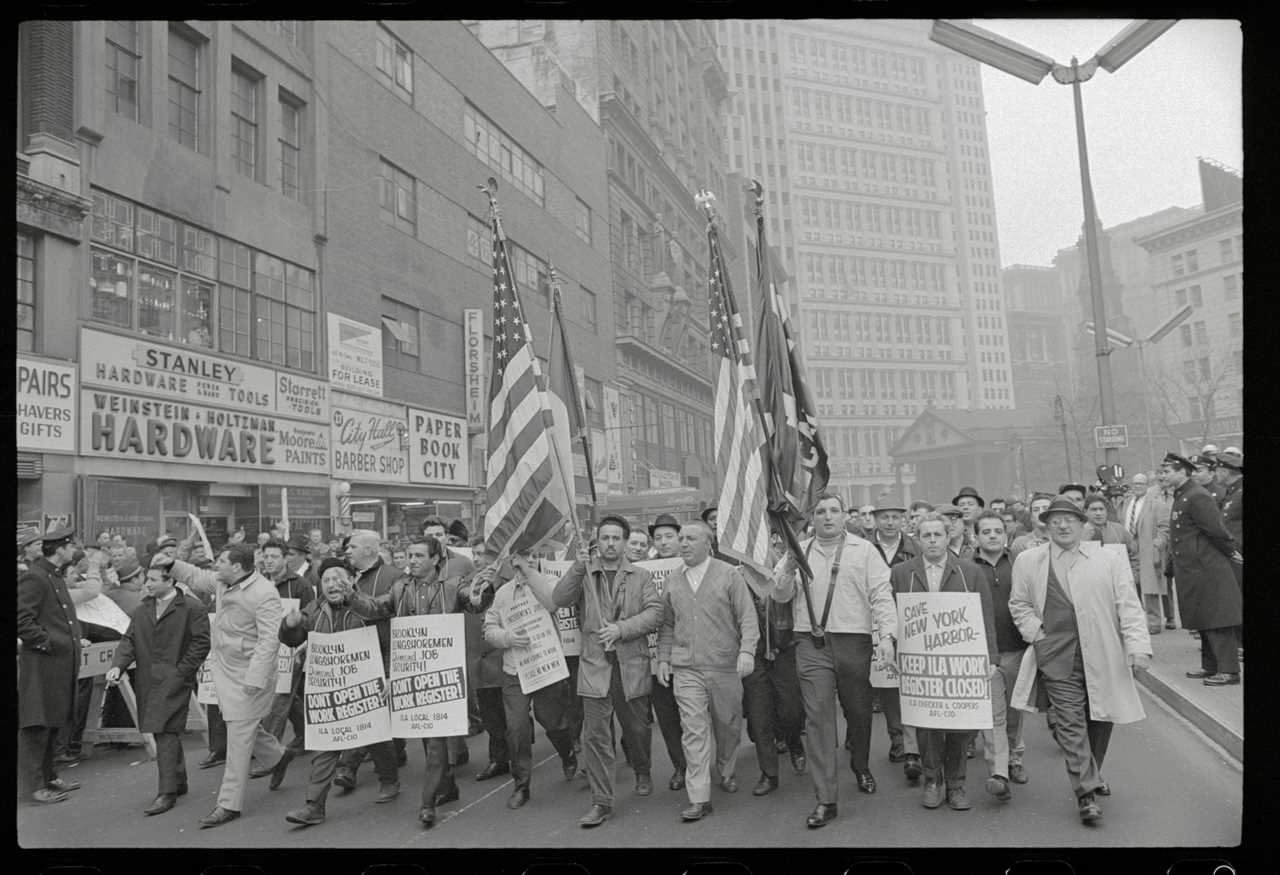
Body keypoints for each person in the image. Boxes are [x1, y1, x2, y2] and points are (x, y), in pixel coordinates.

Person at [1009, 497, 1152, 825]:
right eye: (1055, 520)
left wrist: (1138, 647)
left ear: (1083, 524)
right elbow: (1019, 604)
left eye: (1069, 519)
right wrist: (1037, 633)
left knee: (1102, 716)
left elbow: (1127, 603)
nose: (1062, 525)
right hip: (1056, 655)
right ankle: (1085, 793)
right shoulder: (1030, 561)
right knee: (1071, 722)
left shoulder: (1106, 559)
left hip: (1103, 651)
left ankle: (1093, 771)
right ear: (1046, 525)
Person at [772, 492, 897, 829]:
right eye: (820, 511)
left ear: (845, 516)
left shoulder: (864, 550)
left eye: (834, 511)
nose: (827, 517)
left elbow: (881, 595)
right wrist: (785, 569)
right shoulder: (799, 551)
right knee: (818, 717)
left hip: (853, 640)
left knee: (858, 711)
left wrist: (886, 637)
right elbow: (780, 596)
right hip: (811, 642)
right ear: (812, 518)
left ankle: (860, 764)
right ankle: (825, 798)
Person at [347, 535, 480, 828]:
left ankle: (427, 803)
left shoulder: (452, 586)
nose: (413, 561)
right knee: (425, 734)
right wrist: (350, 596)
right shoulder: (400, 588)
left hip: (444, 675)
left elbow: (475, 601)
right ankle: (448, 787)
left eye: (420, 556)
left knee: (434, 741)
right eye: (410, 555)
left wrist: (483, 592)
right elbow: (376, 609)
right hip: (412, 673)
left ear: (436, 559)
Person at [159, 543, 288, 828]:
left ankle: (228, 804)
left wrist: (255, 678)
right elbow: (196, 577)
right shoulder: (223, 579)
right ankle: (278, 758)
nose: (216, 565)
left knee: (239, 735)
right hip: (227, 670)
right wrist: (171, 565)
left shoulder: (265, 593)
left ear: (238, 567)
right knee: (244, 725)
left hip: (251, 676)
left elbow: (269, 641)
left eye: (220, 561)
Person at [550, 515, 663, 828]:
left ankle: (642, 769)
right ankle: (602, 802)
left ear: (625, 542)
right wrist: (576, 566)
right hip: (595, 665)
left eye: (616, 538)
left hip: (630, 664)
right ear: (596, 542)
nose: (610, 543)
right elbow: (558, 600)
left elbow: (655, 613)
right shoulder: (585, 573)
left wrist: (621, 629)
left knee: (637, 729)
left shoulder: (640, 576)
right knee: (596, 737)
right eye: (605, 538)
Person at [280, 558, 400, 826]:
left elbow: (389, 644)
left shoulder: (369, 607)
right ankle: (314, 806)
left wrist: (390, 676)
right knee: (327, 743)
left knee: (377, 738)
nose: (333, 585)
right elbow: (293, 639)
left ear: (353, 580)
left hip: (369, 685)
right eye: (326, 581)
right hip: (332, 691)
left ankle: (389, 780)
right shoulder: (315, 609)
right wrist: (290, 625)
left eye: (339, 578)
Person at [890, 513, 996, 812]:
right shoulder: (902, 573)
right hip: (922, 667)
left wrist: (991, 658)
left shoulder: (969, 572)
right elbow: (893, 617)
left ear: (948, 537)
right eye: (927, 536)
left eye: (938, 535)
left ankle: (957, 784)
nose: (933, 541)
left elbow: (985, 618)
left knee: (961, 727)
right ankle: (932, 781)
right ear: (918, 539)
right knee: (926, 726)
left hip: (960, 664)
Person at [656, 522, 757, 822]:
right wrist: (663, 658)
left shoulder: (729, 575)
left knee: (727, 724)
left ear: (708, 543)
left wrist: (747, 651)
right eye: (681, 539)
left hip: (724, 665)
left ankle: (726, 769)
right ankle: (699, 797)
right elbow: (667, 624)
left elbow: (747, 618)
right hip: (686, 667)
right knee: (694, 730)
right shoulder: (674, 579)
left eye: (691, 538)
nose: (684, 544)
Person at [105, 563, 210, 815]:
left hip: (174, 679)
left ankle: (167, 792)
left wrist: (181, 671)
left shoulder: (192, 608)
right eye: (147, 580)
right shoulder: (144, 609)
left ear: (170, 581)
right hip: (148, 679)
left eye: (153, 580)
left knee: (164, 730)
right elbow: (129, 640)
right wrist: (117, 666)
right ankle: (179, 780)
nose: (147, 584)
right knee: (167, 729)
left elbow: (201, 643)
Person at [478, 554, 577, 809]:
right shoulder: (502, 594)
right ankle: (521, 784)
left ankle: (567, 753)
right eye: (518, 560)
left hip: (546, 667)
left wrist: (533, 579)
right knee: (517, 729)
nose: (524, 564)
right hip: (515, 671)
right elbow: (488, 629)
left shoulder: (549, 582)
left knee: (552, 721)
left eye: (530, 558)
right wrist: (507, 637)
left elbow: (556, 603)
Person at [17, 526, 86, 805]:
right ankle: (34, 786)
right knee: (37, 725)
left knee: (54, 719)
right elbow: (22, 619)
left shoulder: (50, 575)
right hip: (42, 664)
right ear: (59, 548)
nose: (74, 550)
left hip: (57, 664)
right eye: (71, 546)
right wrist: (46, 643)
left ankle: (49, 776)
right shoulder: (35, 577)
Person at [1160, 453, 1242, 686]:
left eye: (1167, 471)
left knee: (1217, 619)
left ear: (1182, 472)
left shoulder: (1197, 496)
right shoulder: (1184, 495)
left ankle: (1229, 671)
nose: (1162, 476)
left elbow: (1216, 530)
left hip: (1207, 568)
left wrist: (1230, 552)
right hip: (1194, 569)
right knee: (1204, 619)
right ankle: (1211, 666)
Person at [335, 530, 406, 784]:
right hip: (354, 650)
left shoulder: (394, 577)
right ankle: (395, 751)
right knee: (373, 709)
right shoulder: (347, 574)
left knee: (369, 708)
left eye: (352, 547)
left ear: (368, 550)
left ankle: (348, 766)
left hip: (383, 649)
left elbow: (383, 610)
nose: (347, 551)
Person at [739, 539, 805, 797]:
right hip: (751, 654)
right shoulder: (736, 577)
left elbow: (787, 598)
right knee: (759, 716)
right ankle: (769, 773)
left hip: (784, 649)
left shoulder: (784, 573)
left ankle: (795, 743)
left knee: (790, 710)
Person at [969, 511, 1028, 801]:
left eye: (997, 531)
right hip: (985, 655)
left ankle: (1015, 759)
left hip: (1017, 649)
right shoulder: (967, 569)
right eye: (986, 531)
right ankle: (998, 772)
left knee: (1016, 711)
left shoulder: (1019, 565)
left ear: (1005, 535)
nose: (992, 535)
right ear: (975, 536)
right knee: (994, 717)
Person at [867, 494, 920, 775]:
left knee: (909, 682)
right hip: (873, 621)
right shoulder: (864, 548)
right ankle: (898, 739)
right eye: (884, 517)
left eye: (895, 517)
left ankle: (913, 743)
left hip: (909, 618)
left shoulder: (915, 547)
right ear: (875, 519)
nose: (890, 522)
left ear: (903, 520)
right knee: (886, 682)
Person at [646, 512, 688, 792]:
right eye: (658, 537)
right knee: (668, 716)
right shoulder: (642, 571)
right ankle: (680, 767)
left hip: (689, 654)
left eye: (669, 536)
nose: (663, 542)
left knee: (695, 715)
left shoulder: (693, 566)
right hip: (655, 656)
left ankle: (705, 763)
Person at [470, 547, 511, 783]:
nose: (477, 559)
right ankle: (499, 758)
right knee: (489, 713)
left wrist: (494, 585)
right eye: (474, 553)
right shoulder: (468, 582)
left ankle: (516, 753)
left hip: (503, 655)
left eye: (483, 554)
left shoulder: (507, 581)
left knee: (512, 713)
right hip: (480, 658)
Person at [1215, 448, 1243, 652]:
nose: (1216, 474)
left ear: (1225, 471)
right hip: (1232, 555)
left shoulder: (1241, 493)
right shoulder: (1231, 493)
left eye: (1218, 470)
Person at [1082, 494, 1140, 585]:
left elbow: (1135, 554)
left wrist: (1133, 576)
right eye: (1094, 510)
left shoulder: (1119, 530)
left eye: (1101, 509)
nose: (1098, 513)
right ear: (1085, 511)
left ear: (1106, 511)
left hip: (1119, 584)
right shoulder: (1079, 532)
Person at [1011, 493, 1055, 558]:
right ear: (1031, 517)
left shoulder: (1064, 540)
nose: (1041, 512)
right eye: (1036, 510)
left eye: (1045, 508)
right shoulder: (1021, 543)